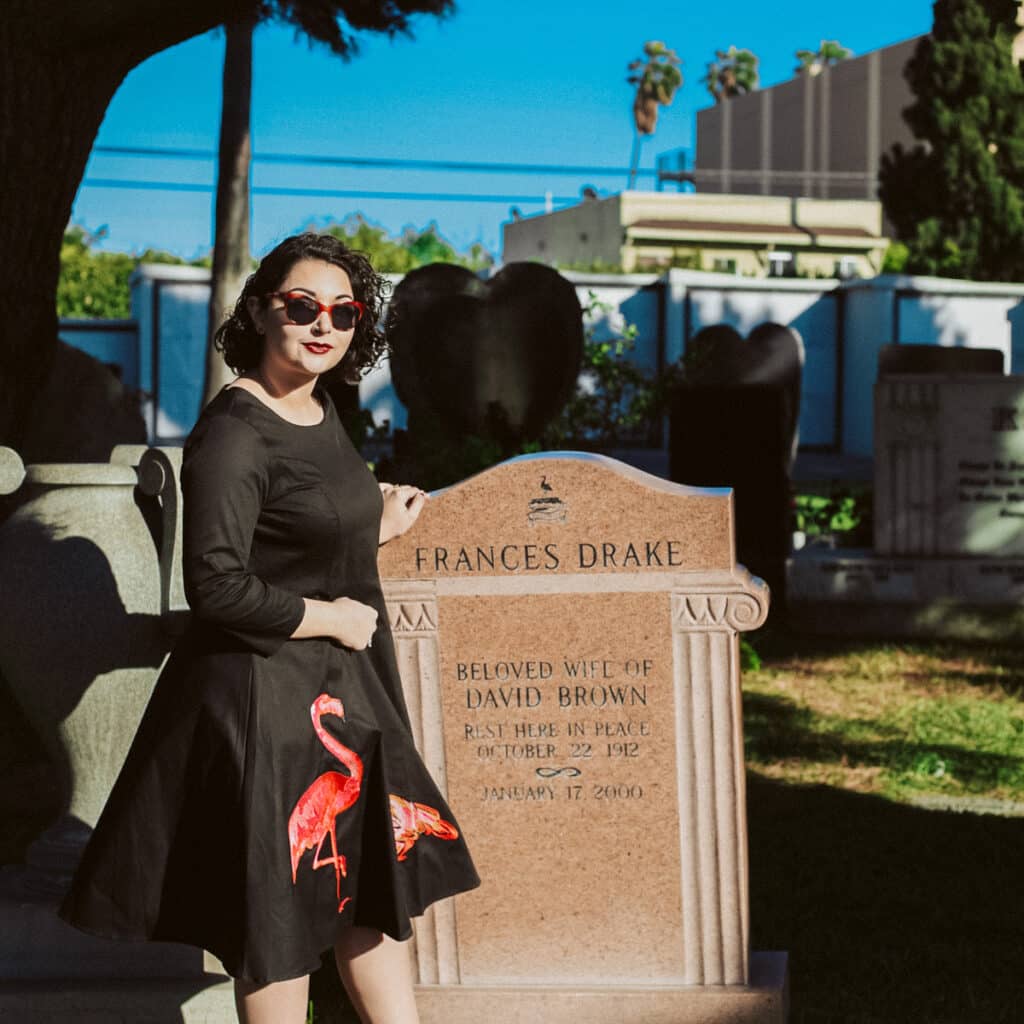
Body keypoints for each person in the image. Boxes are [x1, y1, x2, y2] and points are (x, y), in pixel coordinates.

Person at [60, 233, 480, 1024]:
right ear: (259, 309)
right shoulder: (235, 433)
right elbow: (215, 583)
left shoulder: (318, 407)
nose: (324, 325)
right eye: (302, 306)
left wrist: (371, 530)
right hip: (267, 707)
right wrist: (330, 616)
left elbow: (294, 532)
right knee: (279, 925)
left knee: (371, 900)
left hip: (340, 696)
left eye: (345, 313)